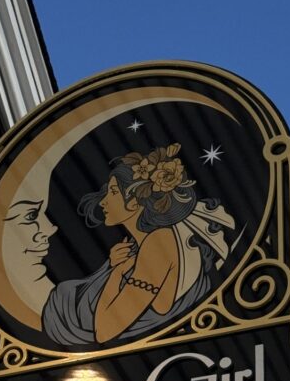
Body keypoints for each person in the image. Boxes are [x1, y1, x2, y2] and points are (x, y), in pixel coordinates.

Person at [43, 144, 235, 347]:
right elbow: (155, 303)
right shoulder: (148, 243)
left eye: (113, 192)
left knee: (64, 295)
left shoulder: (157, 245)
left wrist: (116, 273)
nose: (103, 202)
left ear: (135, 202)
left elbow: (105, 331)